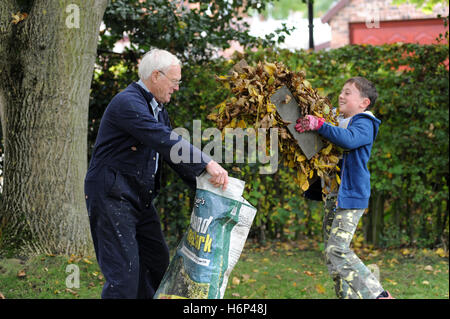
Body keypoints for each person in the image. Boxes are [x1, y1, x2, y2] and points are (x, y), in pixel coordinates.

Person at [84, 49, 228, 299]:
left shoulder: (158, 109)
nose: (177, 88)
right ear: (155, 76)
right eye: (174, 82)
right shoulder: (128, 103)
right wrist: (206, 162)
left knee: (157, 264)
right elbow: (162, 139)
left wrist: (206, 185)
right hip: (112, 197)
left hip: (138, 198)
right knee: (124, 276)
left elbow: (173, 154)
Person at [295, 76, 394, 299]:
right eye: (342, 90)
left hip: (351, 197)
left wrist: (320, 125)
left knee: (337, 249)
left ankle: (379, 295)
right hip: (333, 196)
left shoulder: (365, 122)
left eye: (348, 92)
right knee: (333, 260)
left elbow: (349, 140)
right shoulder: (336, 120)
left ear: (364, 102)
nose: (341, 95)